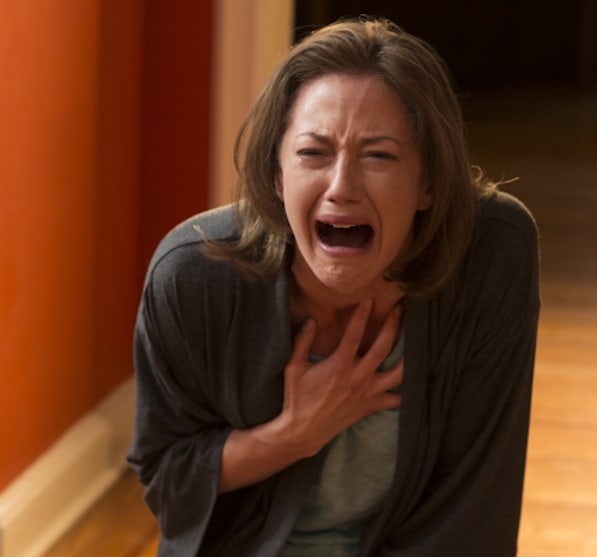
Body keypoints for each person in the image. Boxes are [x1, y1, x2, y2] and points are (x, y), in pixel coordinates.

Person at [128, 16, 540, 557]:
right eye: (313, 153)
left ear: (429, 182)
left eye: (379, 155)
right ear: (277, 175)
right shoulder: (193, 274)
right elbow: (168, 483)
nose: (342, 186)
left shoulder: (492, 255)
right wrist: (291, 436)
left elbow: (473, 518)